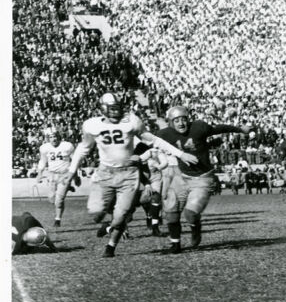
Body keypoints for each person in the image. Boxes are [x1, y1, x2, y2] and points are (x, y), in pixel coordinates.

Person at [63, 93, 198, 258]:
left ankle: (110, 246)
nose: (115, 113)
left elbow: (154, 140)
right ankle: (107, 225)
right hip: (105, 174)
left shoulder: (131, 121)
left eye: (117, 108)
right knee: (96, 213)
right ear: (102, 109)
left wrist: (180, 154)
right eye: (111, 109)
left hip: (128, 175)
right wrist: (71, 172)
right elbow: (83, 148)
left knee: (122, 215)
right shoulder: (92, 125)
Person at [158, 105, 251, 254]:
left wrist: (240, 129)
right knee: (171, 209)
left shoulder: (198, 127)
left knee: (190, 214)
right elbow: (147, 141)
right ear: (170, 122)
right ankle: (175, 244)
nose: (181, 123)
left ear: (188, 119)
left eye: (183, 119)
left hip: (203, 178)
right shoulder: (165, 134)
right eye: (176, 121)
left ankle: (196, 228)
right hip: (181, 176)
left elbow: (219, 129)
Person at [34, 127, 76, 227]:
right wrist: (39, 174)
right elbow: (43, 161)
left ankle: (57, 219)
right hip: (51, 174)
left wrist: (76, 176)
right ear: (48, 138)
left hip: (64, 174)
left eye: (55, 136)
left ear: (59, 137)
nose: (54, 139)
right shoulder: (45, 148)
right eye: (51, 137)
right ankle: (67, 188)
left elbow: (74, 161)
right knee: (51, 199)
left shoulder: (67, 146)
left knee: (59, 200)